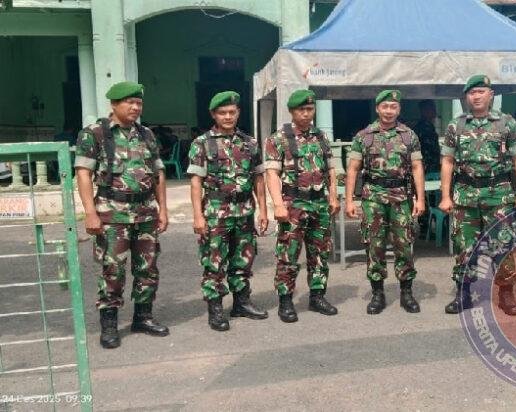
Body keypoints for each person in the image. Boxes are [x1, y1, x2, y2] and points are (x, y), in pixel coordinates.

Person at [74, 81, 169, 349]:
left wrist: (163, 209)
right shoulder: (95, 134)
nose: (135, 107)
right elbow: (83, 174)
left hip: (145, 213)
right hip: (112, 214)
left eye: (139, 103)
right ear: (114, 104)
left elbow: (158, 174)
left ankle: (143, 317)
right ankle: (109, 324)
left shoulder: (146, 134)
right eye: (130, 102)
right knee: (112, 270)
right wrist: (90, 213)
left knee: (147, 267)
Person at [439, 74, 516, 316]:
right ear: (466, 97)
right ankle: (463, 292)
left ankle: (506, 293)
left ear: (491, 95)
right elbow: (447, 161)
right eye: (472, 93)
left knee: (502, 245)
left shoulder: (506, 123)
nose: (476, 96)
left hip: (499, 195)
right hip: (465, 195)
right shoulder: (456, 125)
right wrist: (445, 196)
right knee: (464, 246)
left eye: (481, 92)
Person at [186, 91, 269, 332]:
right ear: (214, 115)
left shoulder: (249, 143)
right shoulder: (202, 143)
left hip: (244, 211)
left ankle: (241, 303)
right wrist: (198, 216)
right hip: (216, 212)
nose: (228, 116)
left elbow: (258, 178)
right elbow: (196, 182)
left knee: (244, 259)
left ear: (238, 113)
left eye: (232, 112)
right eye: (222, 113)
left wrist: (263, 211)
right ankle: (215, 309)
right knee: (214, 262)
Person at [345, 90, 426, 315]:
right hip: (373, 197)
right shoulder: (364, 136)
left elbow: (417, 167)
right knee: (374, 245)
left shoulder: (409, 136)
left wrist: (420, 199)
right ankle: (377, 293)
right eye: (385, 106)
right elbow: (353, 169)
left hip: (401, 196)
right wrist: (350, 200)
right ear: (377, 108)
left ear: (399, 109)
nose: (389, 111)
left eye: (393, 107)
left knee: (404, 244)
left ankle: (406, 293)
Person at [264, 89, 340, 323]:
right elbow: (271, 174)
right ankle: (286, 301)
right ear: (291, 111)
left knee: (320, 253)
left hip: (319, 203)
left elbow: (331, 170)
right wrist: (277, 205)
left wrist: (333, 197)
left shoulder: (321, 137)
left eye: (309, 109)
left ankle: (317, 296)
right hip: (293, 204)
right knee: (288, 254)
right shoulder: (278, 138)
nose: (306, 114)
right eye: (301, 110)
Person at [414, 99, 441, 174]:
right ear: (424, 111)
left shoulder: (430, 126)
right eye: (431, 108)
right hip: (427, 167)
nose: (434, 111)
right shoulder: (422, 128)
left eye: (434, 108)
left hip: (433, 166)